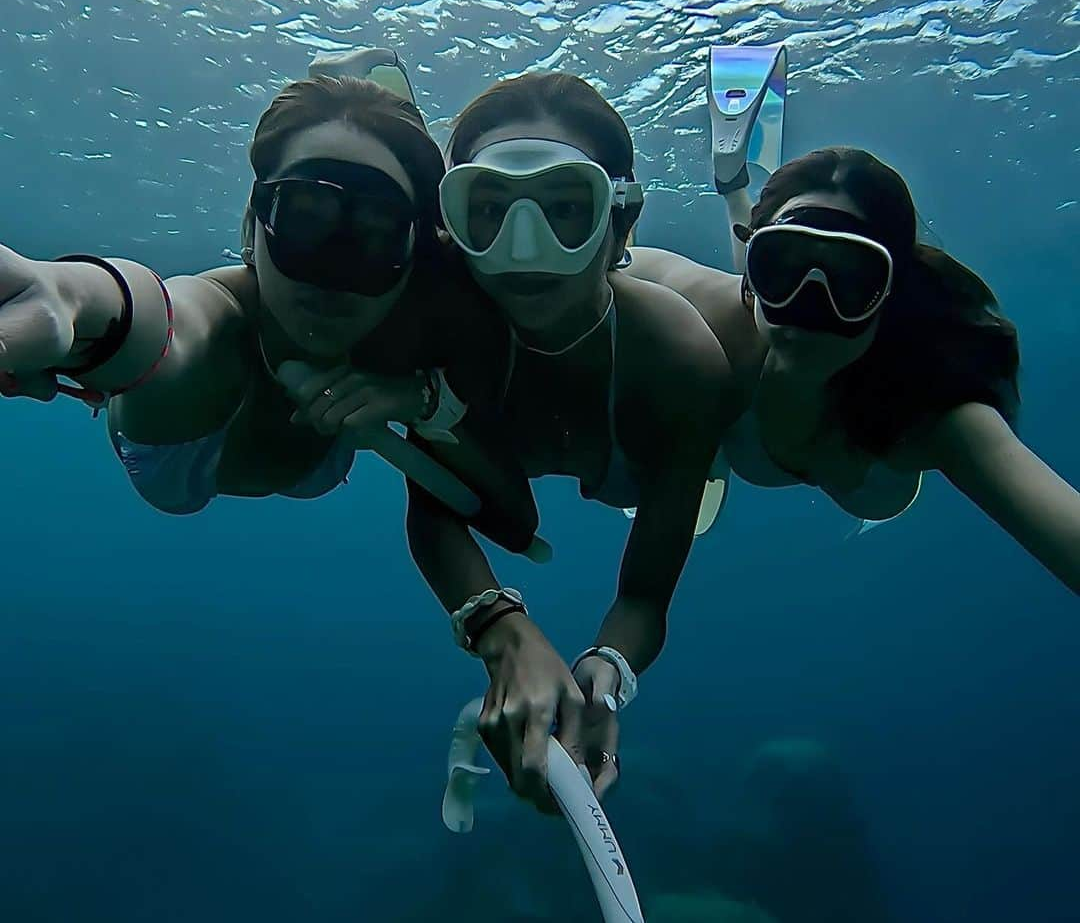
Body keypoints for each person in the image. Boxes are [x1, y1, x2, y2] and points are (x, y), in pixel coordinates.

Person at [0, 58, 532, 546]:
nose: (334, 270)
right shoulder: (222, 322)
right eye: (304, 218)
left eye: (376, 234)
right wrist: (69, 296)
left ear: (412, 251)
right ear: (252, 227)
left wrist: (426, 401)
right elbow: (162, 316)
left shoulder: (411, 332)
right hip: (192, 442)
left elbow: (515, 520)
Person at [403, 72, 743, 815]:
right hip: (543, 445)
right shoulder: (443, 341)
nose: (525, 252)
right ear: (453, 222)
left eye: (566, 210)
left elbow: (646, 592)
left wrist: (610, 668)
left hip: (647, 383)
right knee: (494, 498)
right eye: (488, 211)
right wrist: (500, 629)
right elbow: (433, 508)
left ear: (620, 222)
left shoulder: (680, 357)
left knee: (738, 441)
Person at [628, 143, 1080, 593]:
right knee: (722, 344)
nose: (809, 303)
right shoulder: (708, 311)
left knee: (880, 496)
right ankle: (737, 195)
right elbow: (605, 269)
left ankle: (749, 209)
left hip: (866, 476)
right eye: (780, 265)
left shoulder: (926, 408)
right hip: (738, 388)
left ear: (890, 292)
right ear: (754, 271)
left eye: (850, 278)